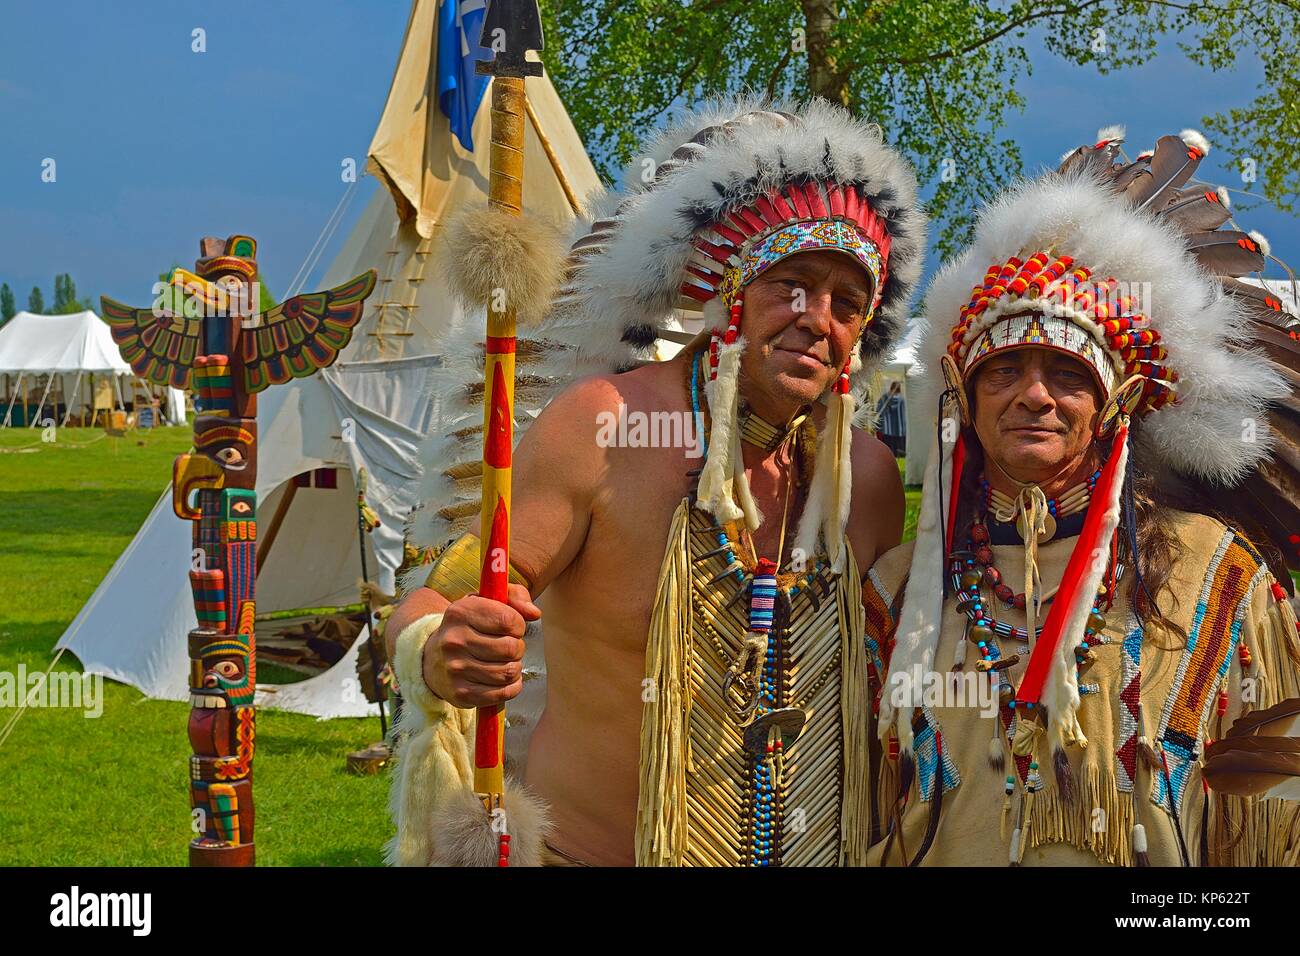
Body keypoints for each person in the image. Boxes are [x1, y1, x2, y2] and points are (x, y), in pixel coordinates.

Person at [383, 99, 927, 866]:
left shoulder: (864, 477)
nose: (818, 319)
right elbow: (445, 590)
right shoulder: (601, 427)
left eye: (848, 304)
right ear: (728, 292)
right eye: (793, 285)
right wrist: (438, 648)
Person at [866, 127, 1300, 866]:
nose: (1034, 396)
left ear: (1114, 406)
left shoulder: (1220, 578)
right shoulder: (897, 589)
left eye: (1067, 375)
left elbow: (1275, 822)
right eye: (1003, 371)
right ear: (964, 402)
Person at [874, 380, 906, 457]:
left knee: (887, 446)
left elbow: (878, 410)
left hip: (886, 428)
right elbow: (904, 413)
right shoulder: (901, 400)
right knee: (896, 446)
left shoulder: (884, 398)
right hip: (898, 428)